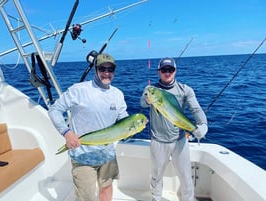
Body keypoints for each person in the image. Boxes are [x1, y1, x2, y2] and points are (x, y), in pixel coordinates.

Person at [48, 53, 128, 201]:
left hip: (108, 155)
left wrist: (132, 126)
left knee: (106, 188)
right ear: (96, 69)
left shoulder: (118, 94)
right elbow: (54, 110)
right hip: (82, 156)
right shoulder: (79, 89)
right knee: (86, 197)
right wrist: (67, 133)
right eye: (102, 68)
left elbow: (123, 118)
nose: (106, 73)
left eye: (110, 69)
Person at [140, 57, 208, 201]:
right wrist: (147, 99)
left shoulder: (185, 89)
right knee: (156, 175)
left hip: (180, 140)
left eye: (170, 69)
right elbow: (143, 103)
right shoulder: (151, 89)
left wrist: (203, 125)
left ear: (175, 71)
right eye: (164, 70)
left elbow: (195, 109)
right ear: (159, 72)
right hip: (158, 141)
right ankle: (156, 198)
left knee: (185, 176)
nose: (167, 72)